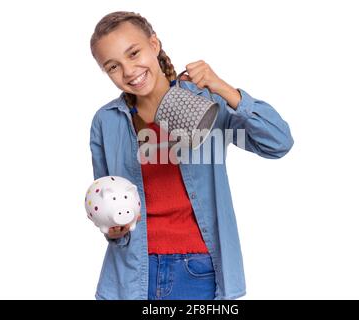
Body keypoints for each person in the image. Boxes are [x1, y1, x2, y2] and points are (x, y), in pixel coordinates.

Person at [89, 11, 294, 300]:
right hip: (130, 274)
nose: (129, 70)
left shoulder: (204, 99)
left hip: (197, 272)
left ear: (154, 44)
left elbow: (279, 142)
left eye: (134, 53)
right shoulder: (106, 121)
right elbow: (105, 196)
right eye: (113, 66)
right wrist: (112, 228)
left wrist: (222, 87)